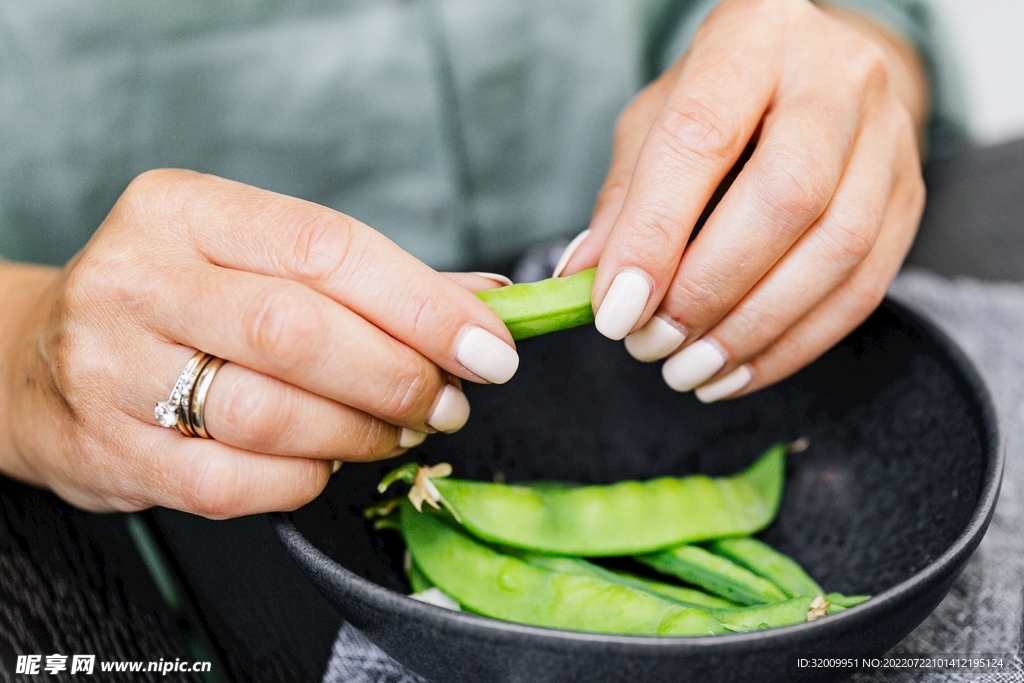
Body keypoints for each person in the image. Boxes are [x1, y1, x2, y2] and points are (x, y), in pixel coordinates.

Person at [0, 0, 955, 518]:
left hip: (672, 377)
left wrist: (842, 54)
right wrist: (22, 354)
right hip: (126, 535)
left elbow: (852, 24)